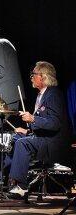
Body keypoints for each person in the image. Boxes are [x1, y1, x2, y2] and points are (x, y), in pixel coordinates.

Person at [7, 61, 70, 197]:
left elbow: (55, 124)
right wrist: (27, 131)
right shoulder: (41, 95)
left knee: (22, 143)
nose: (31, 77)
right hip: (42, 138)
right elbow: (43, 125)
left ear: (43, 77)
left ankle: (22, 186)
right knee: (14, 138)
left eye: (33, 74)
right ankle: (0, 180)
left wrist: (33, 119)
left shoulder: (53, 94)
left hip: (52, 143)